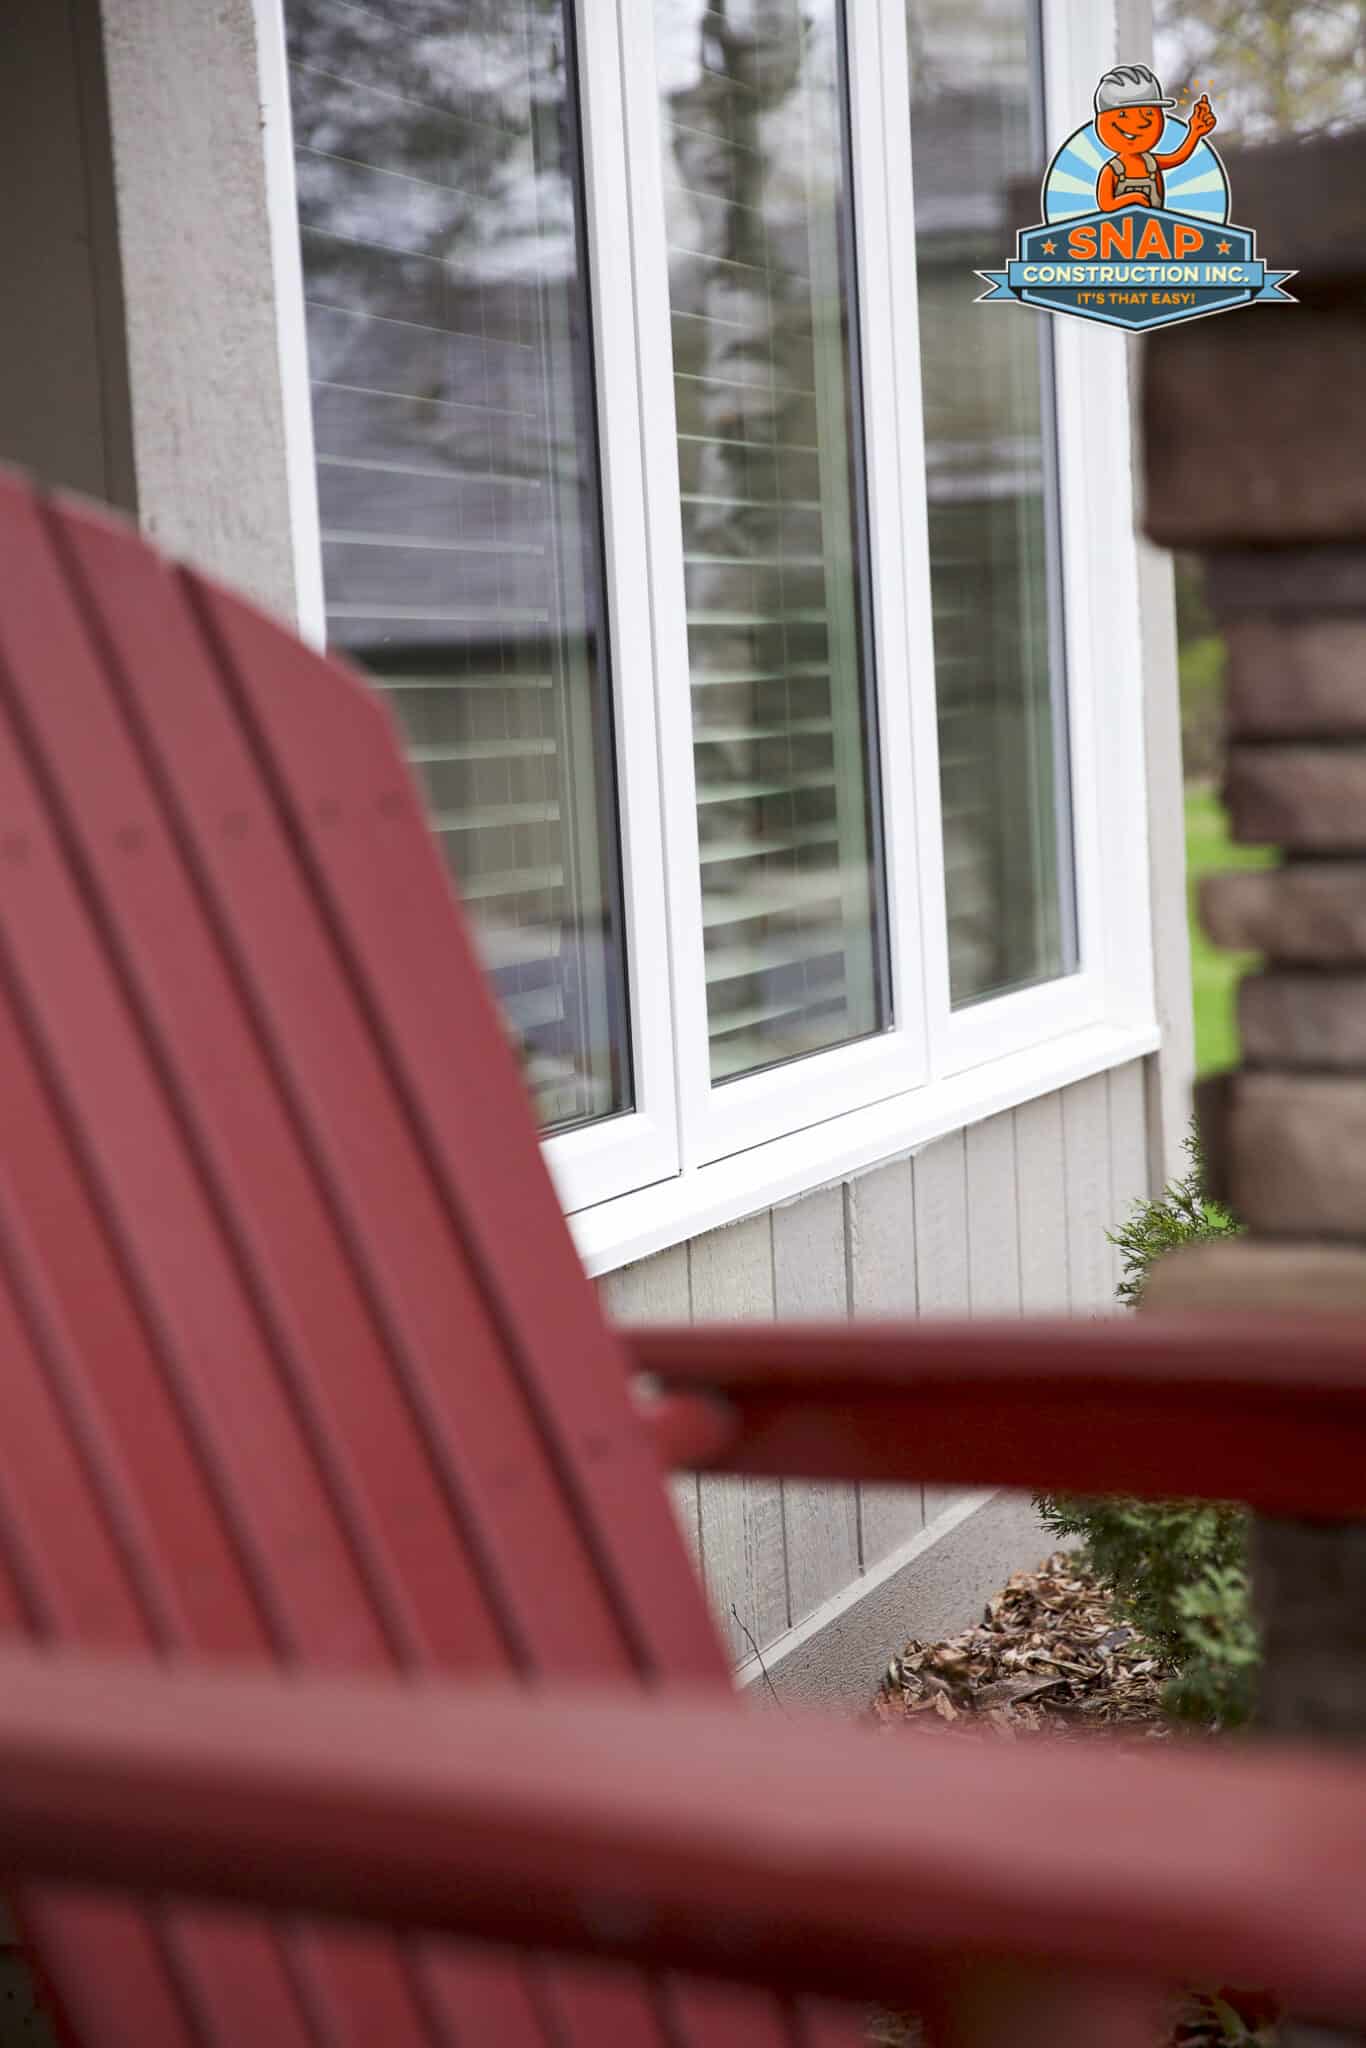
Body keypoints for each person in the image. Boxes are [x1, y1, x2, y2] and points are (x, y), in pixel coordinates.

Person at [1092, 63, 1216, 212]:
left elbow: (1178, 157)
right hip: (1117, 233)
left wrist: (1195, 132)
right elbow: (1106, 204)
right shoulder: (1112, 170)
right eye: (1123, 115)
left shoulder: (1151, 164)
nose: (1142, 122)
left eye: (1149, 113)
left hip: (1156, 231)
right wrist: (1133, 198)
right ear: (1101, 122)